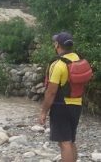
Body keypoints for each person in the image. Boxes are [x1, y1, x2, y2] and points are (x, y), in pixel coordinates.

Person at [39, 32, 85, 162]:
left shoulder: (58, 64)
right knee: (70, 140)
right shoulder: (77, 58)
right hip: (77, 105)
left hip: (61, 106)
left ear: (57, 45)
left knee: (64, 143)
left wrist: (43, 112)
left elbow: (51, 92)